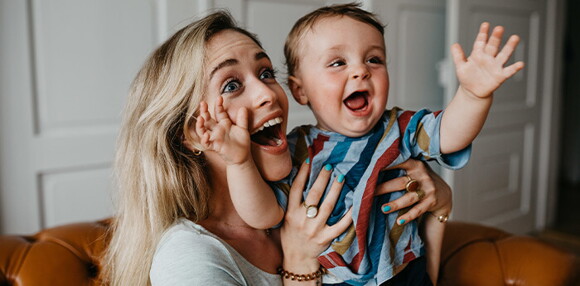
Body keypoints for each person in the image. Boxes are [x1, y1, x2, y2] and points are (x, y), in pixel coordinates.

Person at [101, 9, 454, 286]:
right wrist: (300, 265)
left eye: (266, 73)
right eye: (232, 85)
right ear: (194, 133)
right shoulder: (190, 256)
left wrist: (439, 206)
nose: (269, 93)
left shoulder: (310, 194)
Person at [195, 3, 524, 286]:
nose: (360, 71)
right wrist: (240, 163)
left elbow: (450, 133)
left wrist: (473, 95)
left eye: (374, 60)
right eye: (338, 63)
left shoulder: (399, 127)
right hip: (337, 279)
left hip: (406, 269)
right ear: (300, 91)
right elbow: (263, 214)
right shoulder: (297, 151)